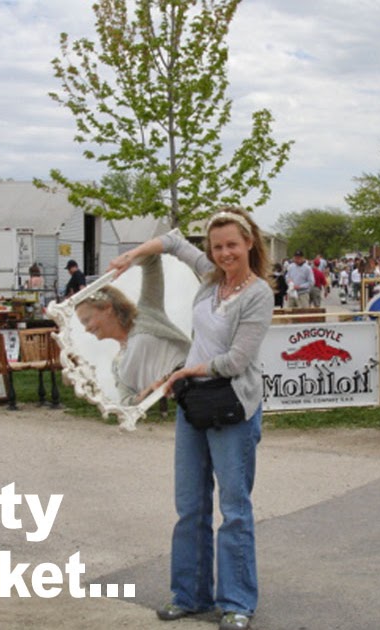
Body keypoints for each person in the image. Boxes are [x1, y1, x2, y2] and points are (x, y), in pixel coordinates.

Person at [108, 206, 273, 630]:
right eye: (217, 246)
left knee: (234, 509)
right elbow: (175, 243)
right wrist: (131, 257)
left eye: (232, 244)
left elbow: (236, 360)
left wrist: (184, 371)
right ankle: (190, 595)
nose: (224, 253)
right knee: (190, 505)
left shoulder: (258, 294)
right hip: (193, 406)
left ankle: (237, 602)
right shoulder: (211, 278)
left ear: (250, 243)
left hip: (232, 405)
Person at [74, 254, 192, 405]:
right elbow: (127, 403)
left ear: (107, 308)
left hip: (203, 381)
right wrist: (149, 391)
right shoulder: (117, 365)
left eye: (86, 320)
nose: (86, 329)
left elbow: (152, 260)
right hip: (185, 402)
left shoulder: (147, 312)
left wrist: (127, 259)